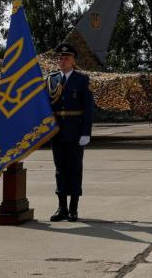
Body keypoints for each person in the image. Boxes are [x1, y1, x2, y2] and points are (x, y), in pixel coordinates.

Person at [46, 42, 94, 222]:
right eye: (60, 58)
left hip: (75, 131)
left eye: (66, 58)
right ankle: (62, 208)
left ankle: (73, 208)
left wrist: (86, 132)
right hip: (57, 131)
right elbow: (45, 106)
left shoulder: (82, 80)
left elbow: (88, 108)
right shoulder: (51, 79)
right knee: (60, 169)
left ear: (73, 61)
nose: (62, 60)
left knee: (74, 169)